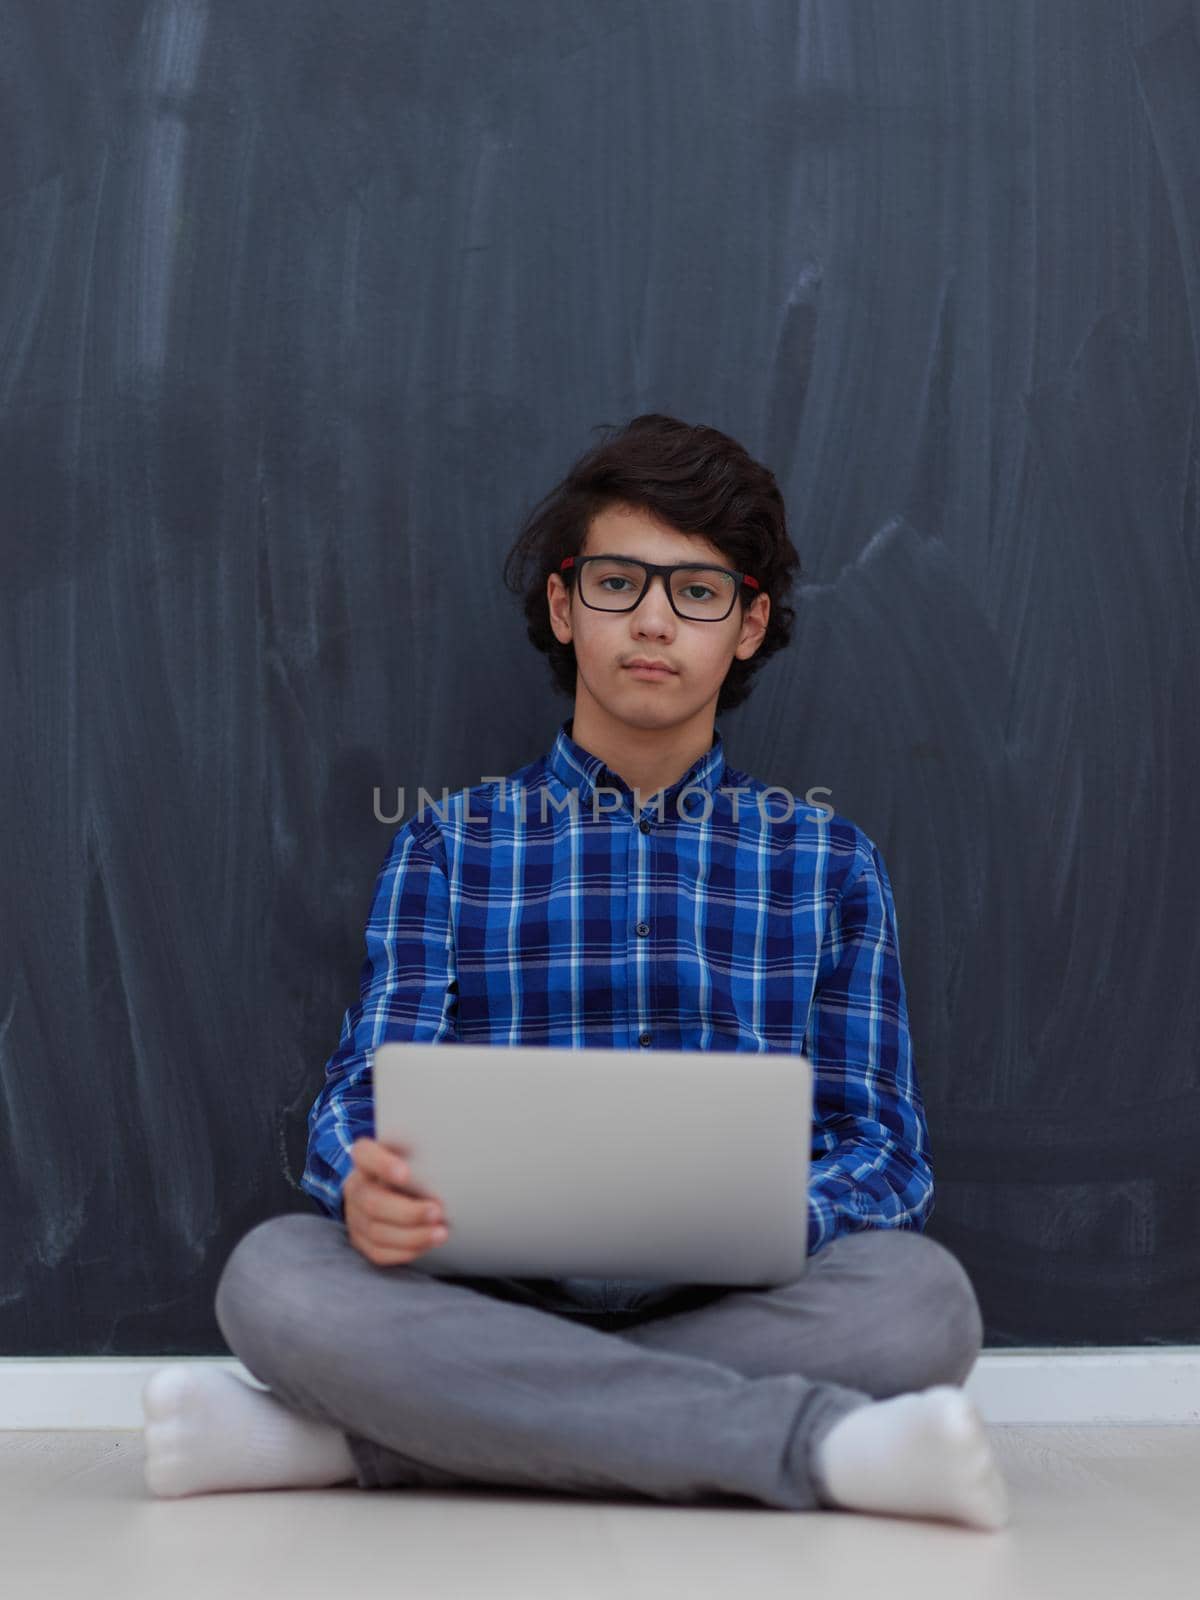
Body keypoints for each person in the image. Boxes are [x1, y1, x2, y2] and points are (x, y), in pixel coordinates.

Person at [142, 414, 1009, 1529]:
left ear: (748, 626)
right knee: (272, 1275)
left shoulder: (829, 861)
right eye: (617, 582)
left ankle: (368, 1442)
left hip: (733, 1298)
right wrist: (360, 1182)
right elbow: (365, 1085)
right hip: (475, 1287)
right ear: (564, 606)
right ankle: (811, 1447)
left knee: (922, 1304)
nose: (652, 618)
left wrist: (778, 1217)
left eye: (697, 591)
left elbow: (886, 1150)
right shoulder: (452, 843)